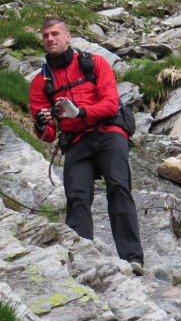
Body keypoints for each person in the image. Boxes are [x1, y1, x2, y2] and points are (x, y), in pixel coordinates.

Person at [29, 17, 144, 275]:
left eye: (55, 34)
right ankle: (82, 259)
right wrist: (40, 123)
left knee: (119, 187)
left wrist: (80, 112)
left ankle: (133, 258)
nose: (50, 39)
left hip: (109, 132)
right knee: (77, 195)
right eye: (46, 35)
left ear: (67, 36)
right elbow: (48, 134)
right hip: (76, 141)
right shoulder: (41, 82)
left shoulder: (95, 63)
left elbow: (111, 105)